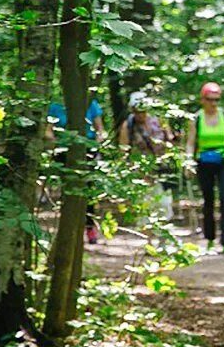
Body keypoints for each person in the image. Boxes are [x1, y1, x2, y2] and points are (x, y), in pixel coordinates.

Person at [184, 83, 224, 252]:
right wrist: (188, 162)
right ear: (202, 100)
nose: (213, 103)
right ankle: (210, 239)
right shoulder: (196, 119)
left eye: (217, 100)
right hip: (204, 161)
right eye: (210, 100)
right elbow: (190, 142)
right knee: (208, 201)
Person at [47, 96, 106, 244]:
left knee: (88, 190)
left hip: (87, 150)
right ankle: (68, 231)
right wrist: (57, 144)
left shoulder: (90, 103)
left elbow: (100, 130)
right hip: (64, 151)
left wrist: (95, 145)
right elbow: (48, 131)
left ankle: (90, 228)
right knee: (67, 191)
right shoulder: (55, 106)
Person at [117, 91, 178, 221]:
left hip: (161, 168)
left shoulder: (159, 120)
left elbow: (170, 140)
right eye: (137, 110)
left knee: (164, 203)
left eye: (143, 109)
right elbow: (123, 150)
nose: (141, 113)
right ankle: (148, 239)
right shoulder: (128, 126)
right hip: (141, 172)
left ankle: (163, 238)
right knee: (145, 206)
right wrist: (127, 170)